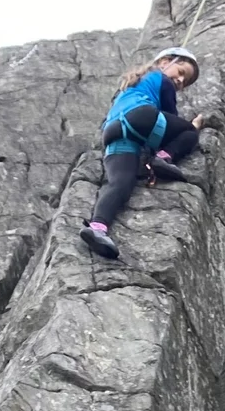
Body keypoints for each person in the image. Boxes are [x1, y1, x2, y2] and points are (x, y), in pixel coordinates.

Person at [80, 49, 210, 260]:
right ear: (164, 62)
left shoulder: (132, 87)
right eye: (180, 72)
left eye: (184, 81)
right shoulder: (160, 78)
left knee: (121, 183)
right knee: (189, 132)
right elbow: (170, 115)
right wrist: (192, 125)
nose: (179, 80)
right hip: (142, 117)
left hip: (114, 132)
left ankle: (98, 227)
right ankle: (163, 158)